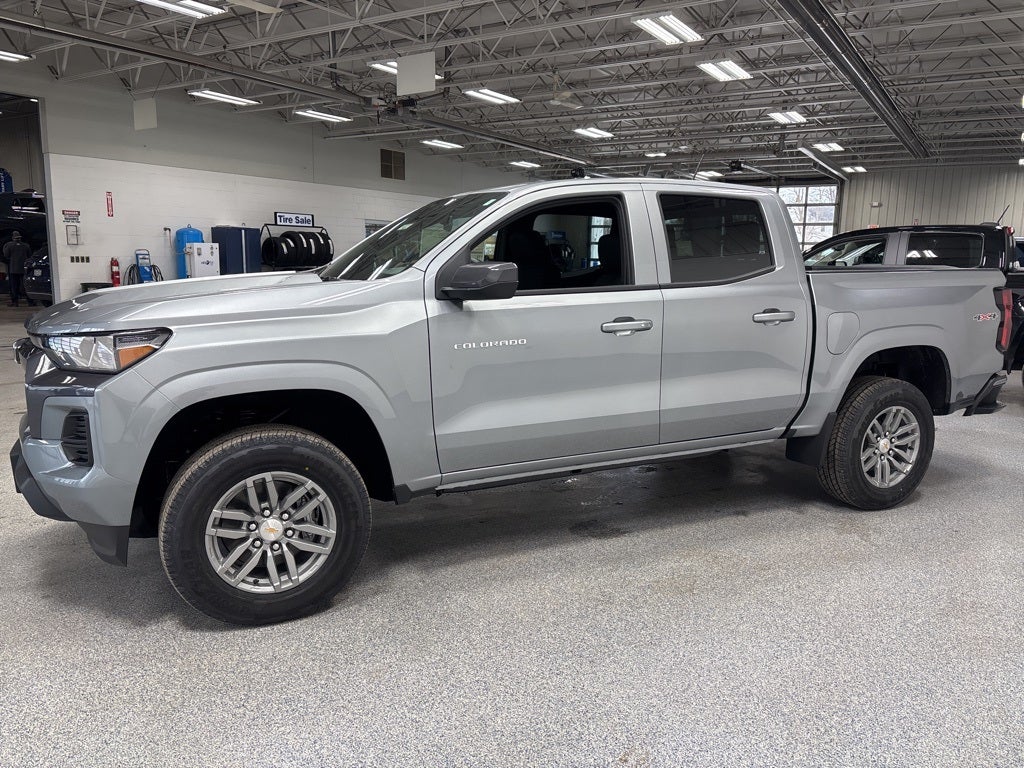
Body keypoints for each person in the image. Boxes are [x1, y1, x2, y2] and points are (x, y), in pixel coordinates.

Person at [2, 231, 35, 307]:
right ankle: (30, 302)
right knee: (26, 285)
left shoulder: (9, 245)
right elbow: (29, 255)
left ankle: (15, 302)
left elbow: (6, 255)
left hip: (13, 269)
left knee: (14, 286)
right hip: (24, 268)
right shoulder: (26, 246)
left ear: (13, 238)